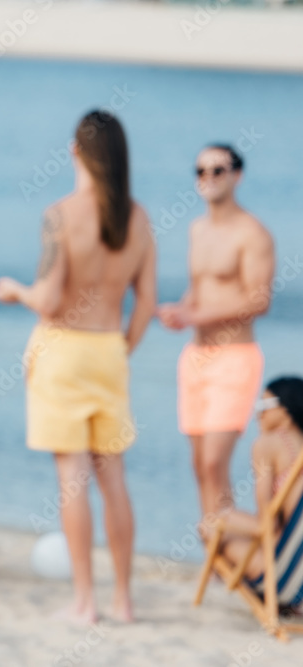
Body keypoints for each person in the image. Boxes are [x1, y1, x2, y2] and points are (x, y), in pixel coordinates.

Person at [0, 110, 157, 624]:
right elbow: (147, 301)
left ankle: (85, 602)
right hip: (108, 347)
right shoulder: (139, 218)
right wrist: (123, 346)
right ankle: (123, 601)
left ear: (75, 152)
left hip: (63, 350)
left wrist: (14, 289)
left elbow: (47, 298)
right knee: (115, 480)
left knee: (72, 481)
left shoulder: (61, 214)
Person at [158, 144, 275, 523]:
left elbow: (259, 300)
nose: (208, 178)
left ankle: (235, 541)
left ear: (237, 175)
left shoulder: (252, 233)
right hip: (196, 358)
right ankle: (216, 548)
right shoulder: (197, 229)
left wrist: (198, 315)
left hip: (235, 358)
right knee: (198, 466)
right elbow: (201, 287)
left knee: (214, 463)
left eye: (218, 170)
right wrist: (181, 309)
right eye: (201, 171)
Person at [207, 376, 303, 610]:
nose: (257, 414)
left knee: (210, 527)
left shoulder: (268, 444)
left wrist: (226, 518)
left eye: (263, 406)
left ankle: (275, 604)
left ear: (285, 409)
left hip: (284, 580)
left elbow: (266, 525)